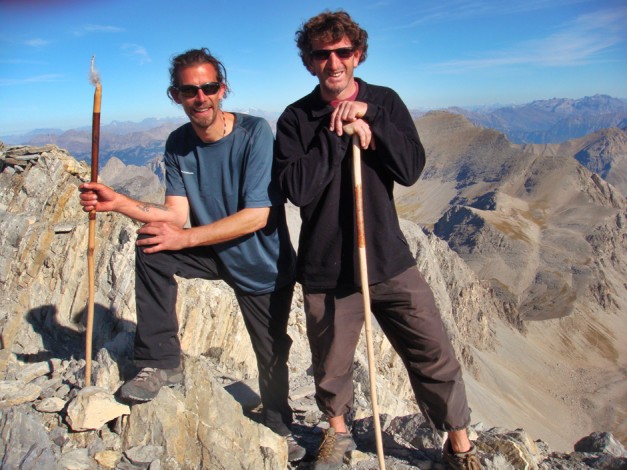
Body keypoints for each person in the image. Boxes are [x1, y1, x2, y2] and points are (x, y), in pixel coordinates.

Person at [274, 11, 482, 470]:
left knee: (432, 351)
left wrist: (372, 122)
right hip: (326, 265)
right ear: (309, 62)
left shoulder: (384, 101)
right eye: (322, 55)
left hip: (388, 257)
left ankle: (459, 446)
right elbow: (296, 189)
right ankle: (339, 434)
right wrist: (338, 134)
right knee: (330, 364)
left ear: (358, 54)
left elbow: (410, 168)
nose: (333, 62)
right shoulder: (295, 118)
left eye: (343, 52)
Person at [79, 48, 306, 462]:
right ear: (176, 95)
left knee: (272, 351)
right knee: (152, 246)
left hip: (261, 264)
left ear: (223, 89)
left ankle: (279, 425)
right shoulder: (178, 143)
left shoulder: (256, 133)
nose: (200, 97)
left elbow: (257, 216)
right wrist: (117, 202)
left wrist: (184, 239)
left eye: (209, 87)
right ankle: (161, 361)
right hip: (212, 251)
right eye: (189, 90)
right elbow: (175, 215)